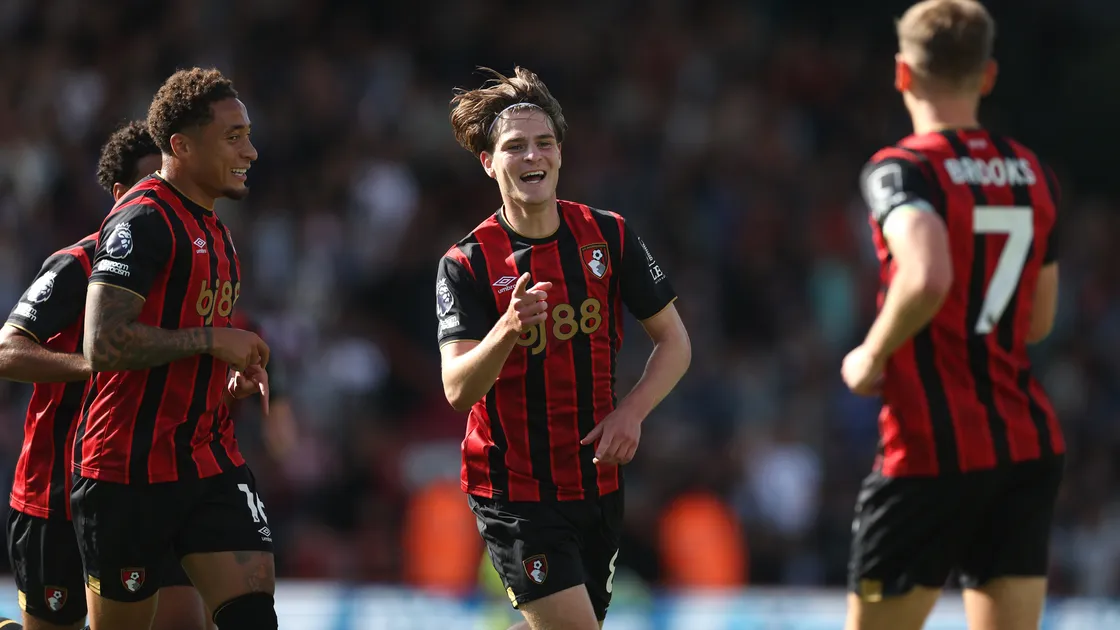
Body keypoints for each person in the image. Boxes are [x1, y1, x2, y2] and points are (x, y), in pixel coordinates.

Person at [436, 66, 691, 630]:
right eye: (515, 147)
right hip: (515, 492)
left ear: (560, 153)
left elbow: (674, 342)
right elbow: (458, 389)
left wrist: (632, 412)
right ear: (489, 162)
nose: (533, 157)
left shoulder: (609, 235)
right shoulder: (467, 263)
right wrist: (505, 331)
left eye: (544, 143)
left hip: (598, 485)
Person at [841, 2, 1064, 629]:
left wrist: (871, 354)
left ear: (902, 74)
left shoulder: (901, 170)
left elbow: (927, 272)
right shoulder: (1032, 173)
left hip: (928, 453)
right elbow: (1038, 321)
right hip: (1024, 447)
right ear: (988, 76)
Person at [74, 67, 276, 630]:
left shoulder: (216, 229)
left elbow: (184, 338)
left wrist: (224, 368)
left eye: (248, 133)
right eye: (233, 136)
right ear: (181, 146)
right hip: (126, 471)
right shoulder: (143, 219)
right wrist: (215, 339)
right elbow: (103, 342)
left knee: (255, 617)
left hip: (208, 459)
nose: (252, 151)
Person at [0, 120, 222, 630]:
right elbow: (7, 352)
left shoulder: (191, 265)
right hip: (55, 492)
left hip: (147, 483)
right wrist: (97, 365)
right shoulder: (75, 265)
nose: (168, 201)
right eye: (155, 186)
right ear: (121, 195)